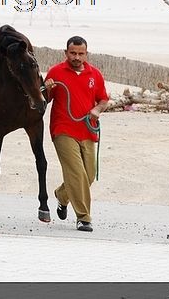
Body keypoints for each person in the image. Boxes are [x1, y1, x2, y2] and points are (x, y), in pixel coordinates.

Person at [44, 36, 109, 232]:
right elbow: (42, 101)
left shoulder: (94, 74)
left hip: (87, 130)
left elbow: (103, 100)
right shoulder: (56, 72)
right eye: (73, 53)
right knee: (76, 172)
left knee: (88, 175)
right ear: (66, 53)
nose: (77, 57)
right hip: (63, 129)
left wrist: (97, 110)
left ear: (86, 54)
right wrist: (46, 90)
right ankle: (84, 217)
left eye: (81, 53)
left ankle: (62, 196)